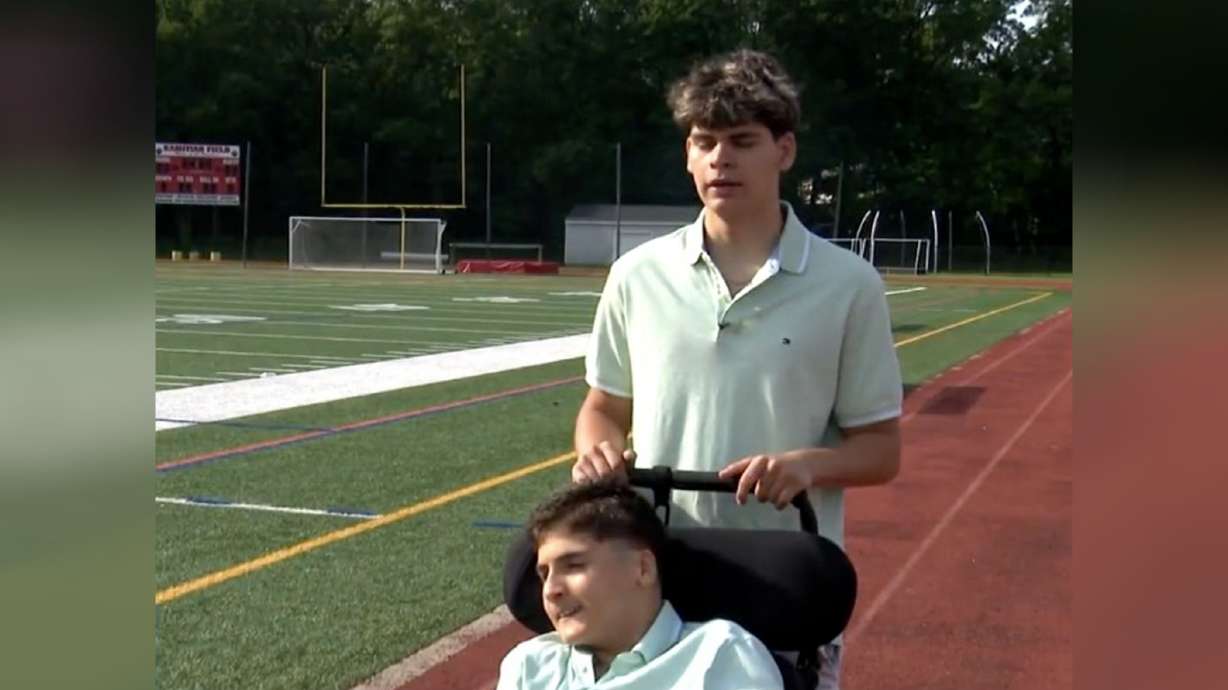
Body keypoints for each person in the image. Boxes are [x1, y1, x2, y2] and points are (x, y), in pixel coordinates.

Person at [572, 49, 903, 689]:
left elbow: (881, 450)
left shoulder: (849, 285)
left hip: (780, 578)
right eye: (705, 142)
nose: (720, 159)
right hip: (652, 577)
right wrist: (597, 453)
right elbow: (603, 406)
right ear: (688, 155)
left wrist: (805, 465)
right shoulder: (636, 276)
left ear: (784, 150)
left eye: (742, 141)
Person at [496, 479, 784, 690]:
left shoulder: (719, 654)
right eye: (544, 574)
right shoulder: (529, 666)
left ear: (643, 568)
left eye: (573, 565)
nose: (550, 590)